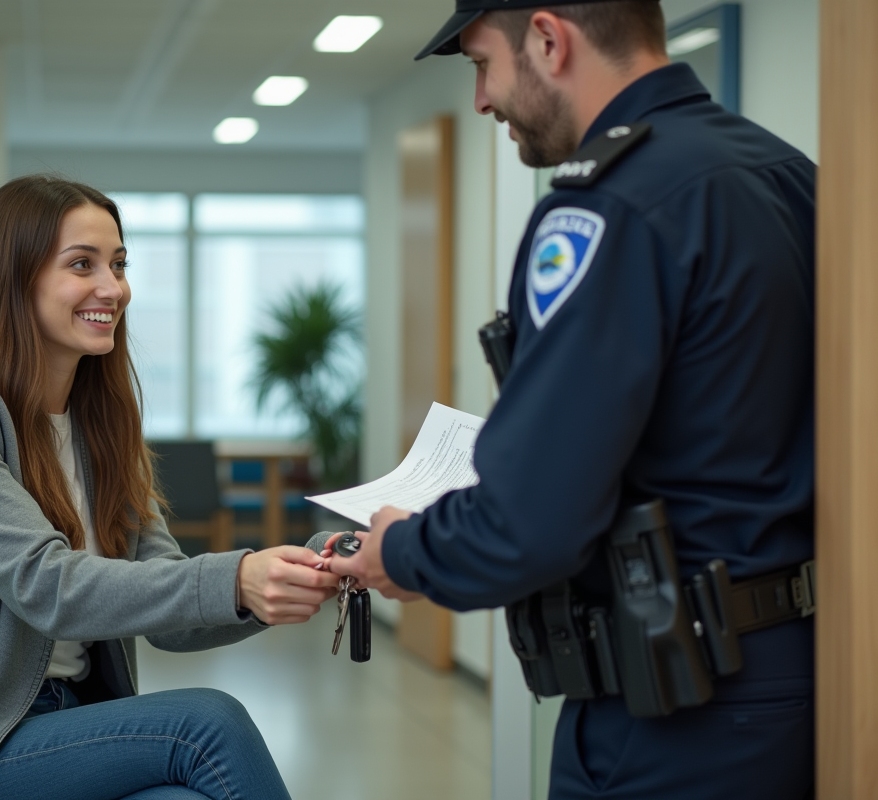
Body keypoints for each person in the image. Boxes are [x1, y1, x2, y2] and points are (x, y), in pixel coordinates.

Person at [326, 2, 816, 798]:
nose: (481, 100)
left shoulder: (605, 208)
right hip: (802, 676)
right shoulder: (792, 175)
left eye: (483, 64)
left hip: (675, 706)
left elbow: (531, 522)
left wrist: (402, 552)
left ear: (549, 40)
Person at [0, 175, 340, 800]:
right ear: (14, 279)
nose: (113, 288)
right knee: (206, 724)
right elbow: (47, 587)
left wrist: (300, 567)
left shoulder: (100, 422)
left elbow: (172, 620)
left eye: (119, 264)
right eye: (82, 265)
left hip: (70, 719)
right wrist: (238, 576)